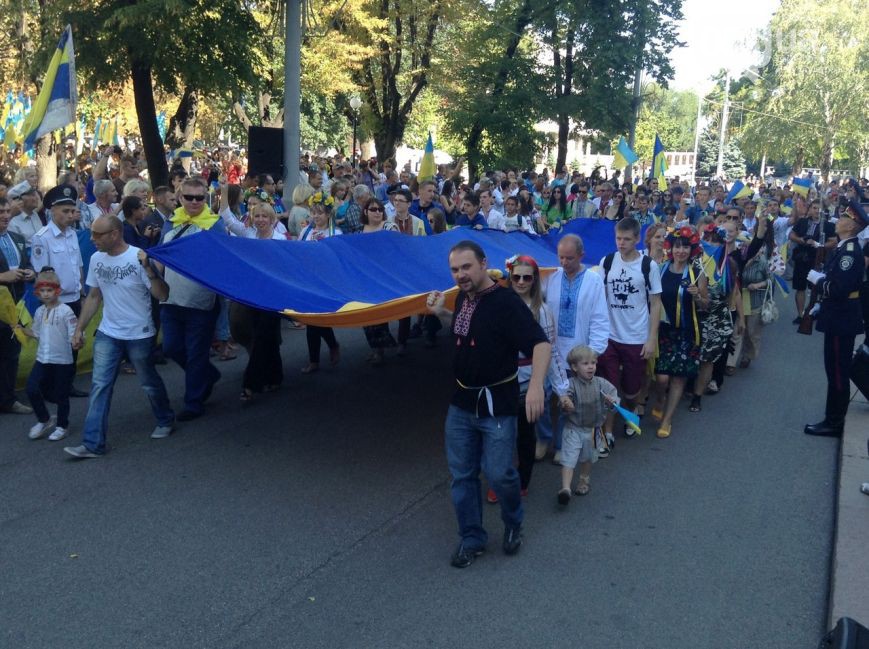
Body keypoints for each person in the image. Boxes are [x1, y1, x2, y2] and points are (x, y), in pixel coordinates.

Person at [425, 240, 549, 569]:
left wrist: (536, 386)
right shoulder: (464, 295)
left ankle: (513, 522)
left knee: (500, 474)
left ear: (483, 263)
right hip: (462, 401)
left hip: (498, 403)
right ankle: (472, 537)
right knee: (462, 476)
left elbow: (540, 343)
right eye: (454, 269)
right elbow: (471, 329)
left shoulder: (507, 302)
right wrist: (442, 313)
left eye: (466, 267)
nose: (460, 274)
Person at [64, 215, 174, 458]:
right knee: (100, 386)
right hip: (108, 332)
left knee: (148, 381)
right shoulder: (95, 259)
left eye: (97, 234)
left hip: (139, 333)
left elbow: (162, 295)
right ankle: (93, 444)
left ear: (114, 234)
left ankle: (165, 418)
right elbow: (94, 296)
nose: (92, 239)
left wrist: (150, 269)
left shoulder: (138, 258)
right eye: (92, 233)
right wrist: (79, 329)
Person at [485, 255, 569, 504]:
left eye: (527, 277)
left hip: (529, 382)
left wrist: (561, 389)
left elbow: (551, 352)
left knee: (524, 434)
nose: (521, 281)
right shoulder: (499, 303)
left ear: (534, 280)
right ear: (510, 277)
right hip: (501, 379)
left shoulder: (542, 311)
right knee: (499, 435)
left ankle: (522, 481)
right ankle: (497, 480)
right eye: (516, 276)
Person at [538, 234, 609, 461]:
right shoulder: (551, 277)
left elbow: (599, 317)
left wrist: (592, 353)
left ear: (581, 255)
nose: (564, 262)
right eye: (560, 257)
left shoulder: (593, 280)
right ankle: (543, 437)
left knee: (568, 400)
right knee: (541, 393)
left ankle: (561, 444)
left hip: (577, 353)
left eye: (569, 258)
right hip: (550, 350)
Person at [597, 217, 662, 452]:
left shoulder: (648, 266)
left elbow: (655, 303)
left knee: (632, 389)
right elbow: (599, 296)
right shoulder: (607, 262)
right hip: (610, 337)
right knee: (610, 388)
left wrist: (651, 337)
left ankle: (633, 409)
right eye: (618, 238)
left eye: (626, 239)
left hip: (636, 337)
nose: (621, 243)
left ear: (636, 239)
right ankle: (608, 433)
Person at [804, 200, 867, 437]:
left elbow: (839, 289)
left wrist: (819, 281)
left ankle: (834, 422)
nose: (837, 221)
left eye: (842, 218)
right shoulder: (843, 248)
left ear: (851, 226)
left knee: (838, 373)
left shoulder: (849, 253)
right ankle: (832, 418)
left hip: (841, 320)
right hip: (837, 316)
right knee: (834, 371)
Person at [30, 184, 89, 397]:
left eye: (72, 211)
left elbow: (78, 265)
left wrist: (82, 293)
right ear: (52, 211)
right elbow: (42, 274)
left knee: (73, 343)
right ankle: (49, 388)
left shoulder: (72, 234)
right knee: (54, 346)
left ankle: (66, 385)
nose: (70, 215)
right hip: (55, 302)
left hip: (73, 298)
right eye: (65, 211)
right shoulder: (42, 237)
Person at [649, 226, 707, 438]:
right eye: (677, 246)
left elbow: (705, 306)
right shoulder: (661, 269)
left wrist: (698, 296)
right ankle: (660, 399)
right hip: (662, 331)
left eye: (685, 247)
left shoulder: (697, 273)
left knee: (678, 379)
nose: (681, 251)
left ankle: (668, 419)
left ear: (691, 250)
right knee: (661, 378)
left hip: (685, 333)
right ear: (670, 248)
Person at [557, 345, 618, 504]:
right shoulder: (570, 383)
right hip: (573, 428)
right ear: (574, 367)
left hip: (594, 430)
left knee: (587, 458)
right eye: (585, 363)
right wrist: (565, 402)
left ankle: (584, 480)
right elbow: (564, 397)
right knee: (568, 459)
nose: (591, 366)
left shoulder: (601, 383)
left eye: (593, 363)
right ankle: (565, 488)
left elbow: (614, 397)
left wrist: (611, 401)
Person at [24, 269, 76, 441]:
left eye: (49, 290)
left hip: (62, 360)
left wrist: (78, 339)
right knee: (32, 388)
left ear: (57, 291)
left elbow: (74, 334)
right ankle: (44, 419)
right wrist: (21, 330)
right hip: (42, 359)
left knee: (61, 394)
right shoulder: (39, 311)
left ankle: (62, 425)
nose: (46, 294)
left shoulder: (66, 311)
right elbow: (37, 332)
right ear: (37, 292)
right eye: (42, 291)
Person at [0, 196, 35, 415]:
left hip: (15, 307)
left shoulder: (16, 237)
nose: (4, 216)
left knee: (11, 354)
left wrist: (31, 272)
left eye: (6, 212)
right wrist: (3, 276)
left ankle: (8, 399)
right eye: (0, 213)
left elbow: (26, 264)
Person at [300, 193, 341, 373]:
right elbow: (298, 252)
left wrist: (324, 245)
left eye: (320, 213)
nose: (316, 216)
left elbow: (338, 258)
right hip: (309, 280)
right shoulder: (306, 231)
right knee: (312, 320)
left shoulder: (336, 233)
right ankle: (315, 359)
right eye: (313, 212)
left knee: (320, 319)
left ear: (328, 214)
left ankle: (330, 347)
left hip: (327, 281)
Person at [790, 199, 836, 323]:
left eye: (819, 208)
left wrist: (819, 245)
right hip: (801, 258)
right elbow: (792, 235)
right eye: (814, 208)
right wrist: (802, 241)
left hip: (818, 259)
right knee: (800, 287)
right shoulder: (802, 222)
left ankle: (812, 312)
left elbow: (833, 242)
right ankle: (801, 315)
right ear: (810, 209)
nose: (817, 210)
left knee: (816, 288)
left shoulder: (829, 225)